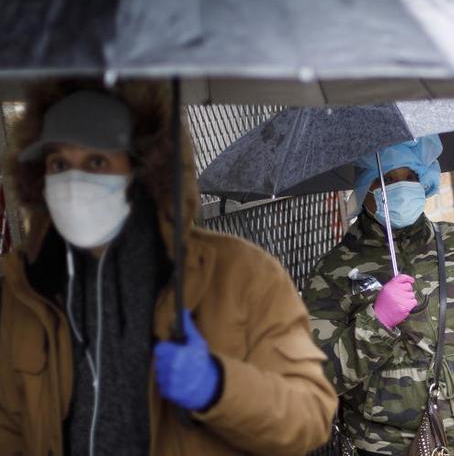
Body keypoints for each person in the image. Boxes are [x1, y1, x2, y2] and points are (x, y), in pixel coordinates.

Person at [0, 82, 337, 455]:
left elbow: (311, 414)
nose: (75, 182)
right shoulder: (23, 289)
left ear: (143, 169)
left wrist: (218, 386)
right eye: (59, 164)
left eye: (97, 162)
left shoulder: (242, 275)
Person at [304, 136, 454, 456]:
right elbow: (318, 377)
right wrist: (377, 322)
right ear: (364, 187)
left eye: (410, 176)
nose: (401, 187)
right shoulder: (333, 272)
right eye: (387, 179)